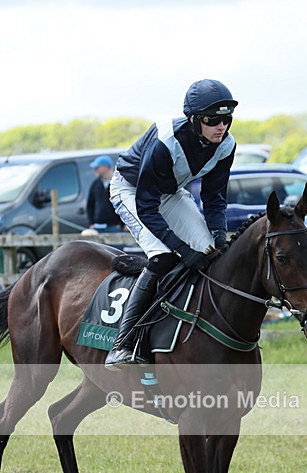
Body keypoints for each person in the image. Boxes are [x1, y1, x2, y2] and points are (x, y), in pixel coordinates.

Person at [104, 78, 237, 369]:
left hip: (171, 192)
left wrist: (220, 235)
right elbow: (147, 205)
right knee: (163, 256)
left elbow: (215, 199)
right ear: (194, 119)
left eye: (227, 119)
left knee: (211, 252)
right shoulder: (167, 140)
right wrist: (179, 248)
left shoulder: (226, 145)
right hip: (132, 190)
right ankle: (122, 344)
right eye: (213, 119)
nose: (222, 126)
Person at [84, 155, 123, 233]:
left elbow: (124, 204)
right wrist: (91, 223)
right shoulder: (95, 184)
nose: (95, 169)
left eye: (98, 167)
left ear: (106, 167)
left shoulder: (118, 183)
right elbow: (90, 205)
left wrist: (121, 224)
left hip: (114, 226)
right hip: (98, 226)